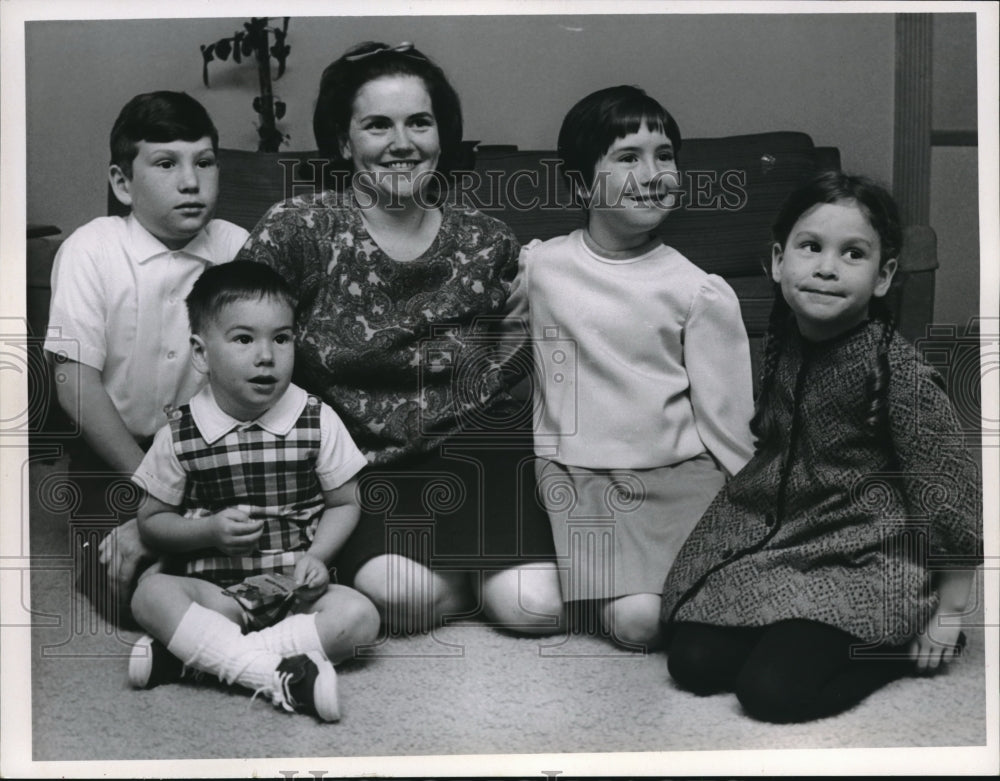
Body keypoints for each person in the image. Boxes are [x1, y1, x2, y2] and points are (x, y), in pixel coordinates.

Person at [235, 41, 563, 635]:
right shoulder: (298, 230)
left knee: (533, 608)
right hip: (361, 471)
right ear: (344, 141)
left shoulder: (488, 240)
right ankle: (465, 586)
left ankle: (485, 583)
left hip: (479, 457)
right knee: (402, 598)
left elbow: (520, 361)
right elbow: (233, 341)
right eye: (377, 125)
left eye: (419, 122)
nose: (402, 142)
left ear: (442, 136)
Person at [660, 171, 982, 723]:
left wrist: (952, 607)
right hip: (788, 539)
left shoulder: (892, 369)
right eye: (811, 248)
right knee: (692, 661)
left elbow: (948, 486)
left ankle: (888, 651)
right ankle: (794, 629)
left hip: (866, 554)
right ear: (778, 261)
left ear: (882, 278)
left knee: (771, 695)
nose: (827, 267)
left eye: (852, 254)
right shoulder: (784, 342)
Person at [505, 86, 755, 650]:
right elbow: (498, 357)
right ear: (580, 183)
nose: (654, 172)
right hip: (579, 480)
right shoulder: (541, 267)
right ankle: (612, 592)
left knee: (651, 624)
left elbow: (727, 417)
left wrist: (758, 505)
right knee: (609, 620)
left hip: (677, 479)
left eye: (665, 155)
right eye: (628, 157)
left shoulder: (697, 290)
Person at [126, 261, 379, 722]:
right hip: (216, 597)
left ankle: (196, 659)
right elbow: (152, 521)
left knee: (360, 618)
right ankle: (275, 674)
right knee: (148, 594)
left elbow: (346, 501)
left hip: (294, 594)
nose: (267, 355)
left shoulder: (315, 418)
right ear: (201, 355)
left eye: (281, 338)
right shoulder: (181, 432)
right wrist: (207, 532)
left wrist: (318, 556)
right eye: (244, 339)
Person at [43, 91, 249, 625]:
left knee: (253, 557)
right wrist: (151, 497)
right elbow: (74, 381)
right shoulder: (92, 249)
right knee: (118, 582)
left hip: (211, 457)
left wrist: (178, 508)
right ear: (121, 182)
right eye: (165, 164)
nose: (190, 181)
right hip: (116, 455)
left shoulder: (237, 248)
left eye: (204, 162)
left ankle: (219, 624)